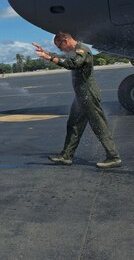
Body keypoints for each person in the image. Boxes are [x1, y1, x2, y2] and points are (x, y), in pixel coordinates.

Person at [33, 32, 122, 168]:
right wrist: (48, 54)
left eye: (60, 47)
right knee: (73, 125)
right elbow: (66, 60)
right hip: (81, 96)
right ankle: (66, 156)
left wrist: (50, 57)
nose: (61, 50)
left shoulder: (82, 50)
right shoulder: (76, 51)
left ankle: (113, 157)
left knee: (99, 125)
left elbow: (73, 64)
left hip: (88, 94)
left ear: (65, 41)